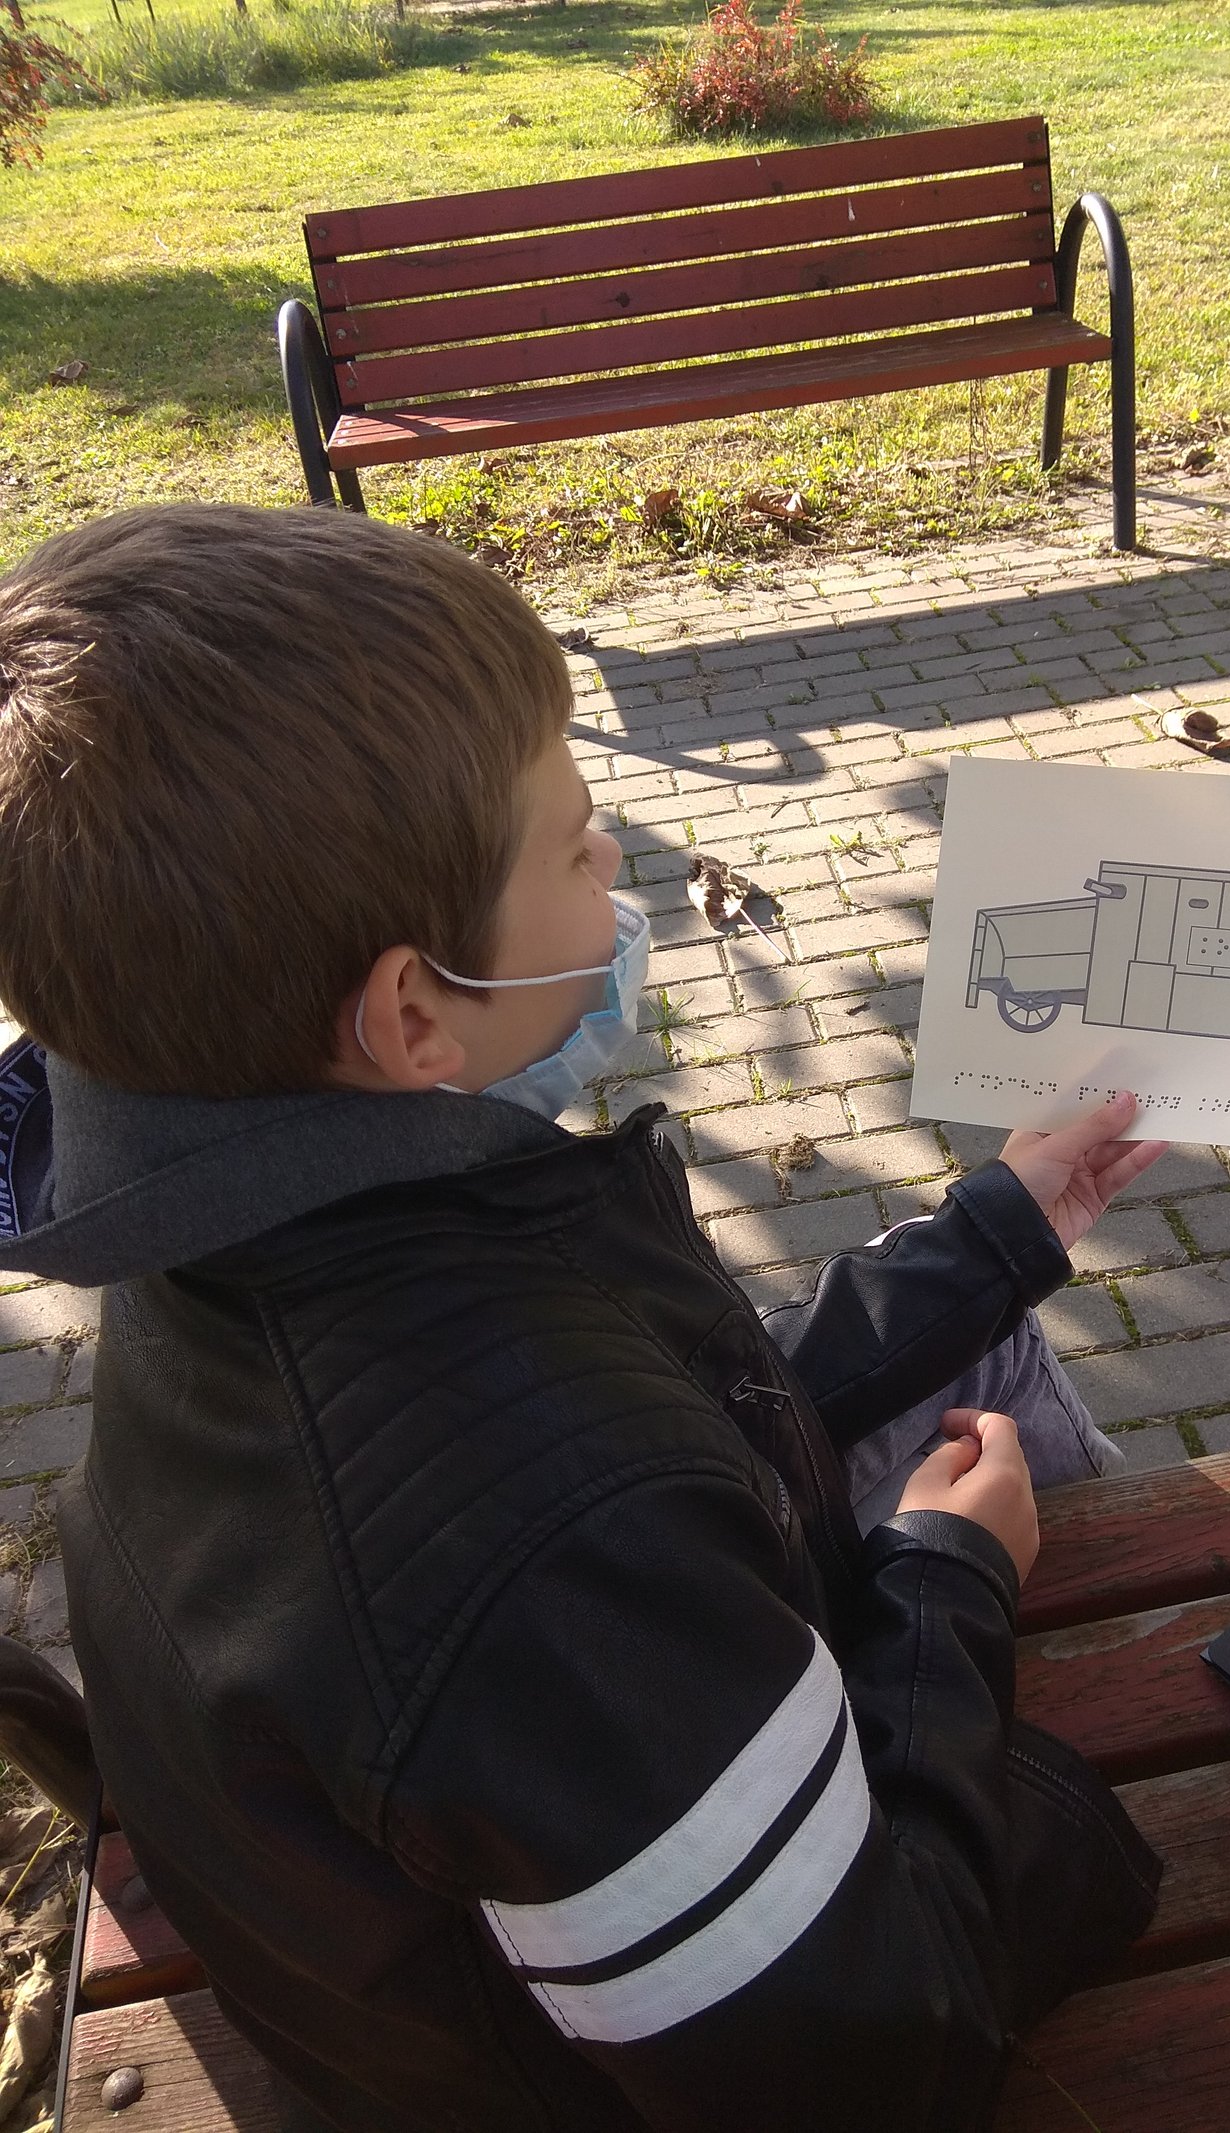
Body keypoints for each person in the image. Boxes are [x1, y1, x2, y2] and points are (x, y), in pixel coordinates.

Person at [0, 505, 1166, 2133]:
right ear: (414, 1012)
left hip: (468, 1893)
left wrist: (995, 1233)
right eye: (570, 842)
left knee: (993, 1337)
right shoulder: (536, 1534)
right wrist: (945, 1589)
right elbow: (873, 2056)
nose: (614, 858)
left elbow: (677, 1402)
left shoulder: (228, 1200)